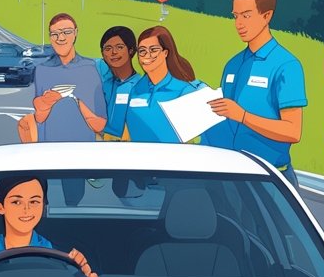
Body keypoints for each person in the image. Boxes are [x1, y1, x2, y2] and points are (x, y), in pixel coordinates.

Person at [206, 0, 307, 187]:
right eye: (235, 16)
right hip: (228, 176)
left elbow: (293, 131)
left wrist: (243, 116)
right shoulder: (233, 64)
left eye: (246, 15)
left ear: (267, 16)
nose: (239, 24)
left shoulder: (287, 65)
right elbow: (226, 118)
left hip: (269, 178)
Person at [0, 176, 97, 277]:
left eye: (34, 201)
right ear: (0, 206)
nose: (26, 210)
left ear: (43, 206)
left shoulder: (62, 257)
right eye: (16, 202)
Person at [30, 13, 107, 205]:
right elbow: (39, 119)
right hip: (47, 156)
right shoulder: (42, 70)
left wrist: (76, 102)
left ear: (76, 34)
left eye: (66, 32)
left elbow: (100, 122)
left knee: (74, 203)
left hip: (80, 155)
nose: (60, 38)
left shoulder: (91, 68)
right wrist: (45, 104)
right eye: (54, 34)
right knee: (43, 207)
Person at [123, 26, 201, 143]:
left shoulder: (185, 91)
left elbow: (194, 140)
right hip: (137, 158)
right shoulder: (134, 90)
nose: (147, 56)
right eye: (142, 51)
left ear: (165, 52)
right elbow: (127, 134)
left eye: (153, 50)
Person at [96, 26, 141, 142]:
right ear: (102, 54)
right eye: (108, 48)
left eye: (120, 47)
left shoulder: (140, 86)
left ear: (131, 50)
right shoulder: (105, 84)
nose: (114, 52)